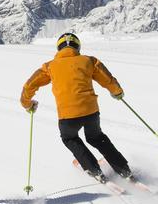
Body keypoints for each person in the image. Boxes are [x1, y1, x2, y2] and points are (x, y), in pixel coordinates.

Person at [19, 32, 133, 183]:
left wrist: (27, 103)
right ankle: (124, 169)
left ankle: (93, 170)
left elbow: (29, 86)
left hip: (68, 116)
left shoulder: (49, 67)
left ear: (59, 48)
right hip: (91, 112)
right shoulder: (89, 61)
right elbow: (107, 79)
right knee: (97, 138)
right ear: (77, 47)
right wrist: (117, 92)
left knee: (70, 138)